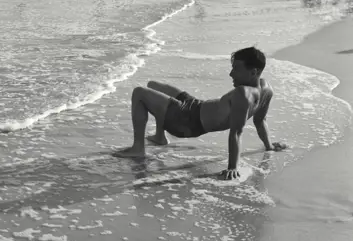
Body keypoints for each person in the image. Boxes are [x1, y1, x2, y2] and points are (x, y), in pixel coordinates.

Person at [113, 47, 287, 179]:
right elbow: (260, 120)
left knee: (139, 93)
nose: (231, 73)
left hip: (186, 121)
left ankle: (138, 148)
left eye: (236, 69)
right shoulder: (266, 89)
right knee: (153, 85)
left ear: (253, 72)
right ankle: (160, 137)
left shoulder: (244, 94)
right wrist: (269, 146)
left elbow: (236, 132)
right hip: (194, 106)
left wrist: (232, 167)